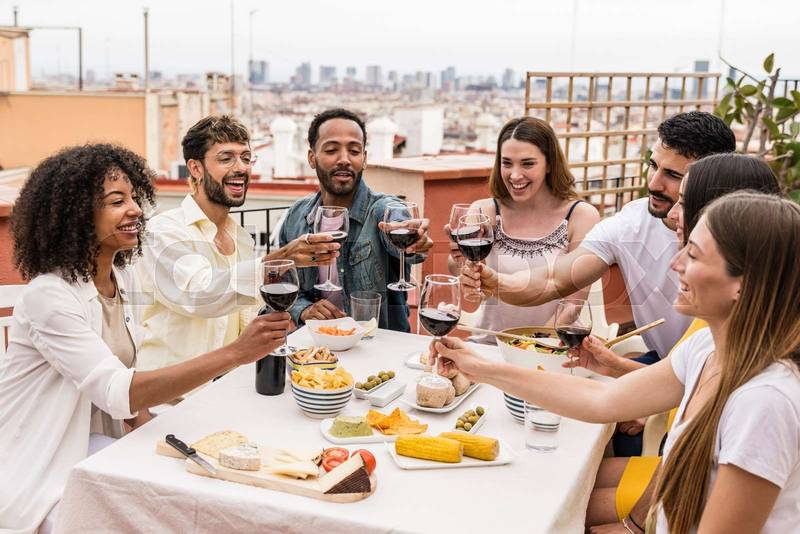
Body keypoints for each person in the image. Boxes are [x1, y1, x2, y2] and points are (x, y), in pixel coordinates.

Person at [433, 191, 800, 534]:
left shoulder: (765, 402)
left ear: (743, 283)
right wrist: (479, 366)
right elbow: (602, 400)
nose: (675, 264)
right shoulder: (708, 346)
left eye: (694, 254)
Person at [0, 144, 291, 533]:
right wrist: (237, 353)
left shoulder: (122, 277)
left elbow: (129, 391)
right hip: (40, 466)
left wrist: (161, 442)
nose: (136, 209)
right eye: (117, 201)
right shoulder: (49, 296)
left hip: (97, 447)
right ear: (76, 216)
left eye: (135, 197)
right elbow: (119, 391)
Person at [579, 153, 782, 532]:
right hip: (672, 479)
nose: (672, 213)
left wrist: (633, 526)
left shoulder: (764, 392)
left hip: (675, 496)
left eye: (684, 200)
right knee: (576, 478)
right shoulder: (713, 335)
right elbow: (679, 423)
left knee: (575, 500)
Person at [463, 111, 736, 361]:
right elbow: (555, 278)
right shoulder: (631, 221)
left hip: (723, 370)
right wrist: (497, 283)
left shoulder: (739, 236)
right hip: (666, 364)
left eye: (673, 175)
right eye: (653, 166)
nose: (652, 183)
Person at [134, 115, 338, 372]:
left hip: (225, 386)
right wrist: (280, 258)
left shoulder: (241, 238)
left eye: (245, 157)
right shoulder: (163, 231)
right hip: (172, 398)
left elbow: (242, 320)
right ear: (196, 169)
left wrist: (301, 313)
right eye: (226, 158)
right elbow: (200, 295)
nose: (241, 167)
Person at [446, 117, 599, 343]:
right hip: (487, 345)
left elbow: (572, 305)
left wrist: (531, 346)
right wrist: (461, 263)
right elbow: (476, 288)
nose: (515, 175)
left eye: (527, 164)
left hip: (547, 348)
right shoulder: (483, 210)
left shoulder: (580, 216)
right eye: (507, 163)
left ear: (549, 164)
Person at [279, 108, 433, 332]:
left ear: (365, 159)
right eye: (332, 150)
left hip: (377, 348)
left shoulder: (383, 209)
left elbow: (402, 232)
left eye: (354, 151)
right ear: (312, 158)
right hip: (315, 349)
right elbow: (284, 283)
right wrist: (303, 310)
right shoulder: (296, 215)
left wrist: (412, 243)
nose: (344, 160)